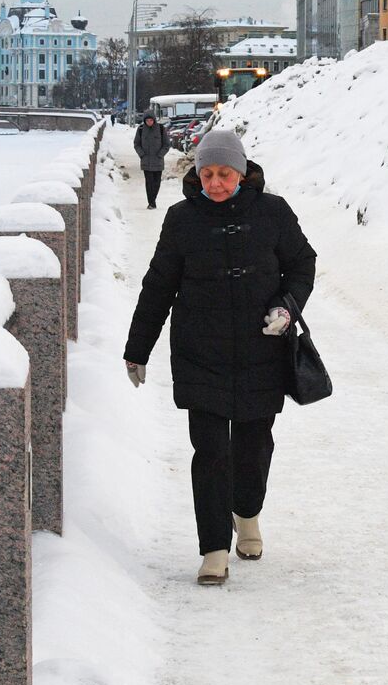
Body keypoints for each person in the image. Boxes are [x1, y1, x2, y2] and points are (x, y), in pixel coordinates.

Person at [122, 130, 317, 585]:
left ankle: (246, 515)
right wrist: (137, 348)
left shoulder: (274, 213)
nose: (215, 183)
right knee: (209, 452)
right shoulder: (181, 219)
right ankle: (213, 548)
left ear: (243, 172)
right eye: (206, 174)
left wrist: (286, 308)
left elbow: (303, 265)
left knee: (253, 446)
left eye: (224, 174)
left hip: (261, 351)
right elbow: (158, 287)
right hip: (199, 353)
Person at [133, 110, 172, 209]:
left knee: (156, 183)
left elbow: (166, 144)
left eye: (151, 120)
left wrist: (161, 154)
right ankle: (151, 203)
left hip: (158, 161)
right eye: (147, 120)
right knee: (149, 183)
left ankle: (152, 200)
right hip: (146, 161)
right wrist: (142, 154)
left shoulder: (160, 129)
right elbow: (136, 144)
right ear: (145, 121)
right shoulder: (141, 129)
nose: (149, 122)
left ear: (154, 120)